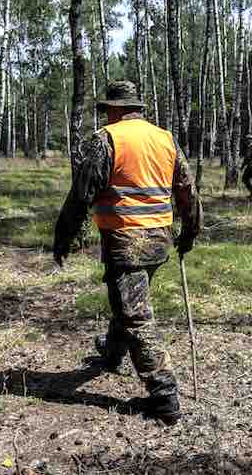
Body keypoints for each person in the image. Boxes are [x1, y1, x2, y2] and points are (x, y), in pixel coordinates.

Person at [53, 81, 202, 425]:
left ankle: (165, 397)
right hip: (159, 241)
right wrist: (190, 232)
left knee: (135, 317)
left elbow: (80, 196)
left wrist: (62, 238)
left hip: (126, 242)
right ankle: (112, 352)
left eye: (107, 109)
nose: (106, 115)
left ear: (115, 109)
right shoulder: (165, 139)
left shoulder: (106, 139)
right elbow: (188, 191)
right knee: (128, 301)